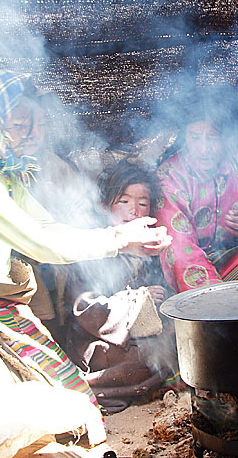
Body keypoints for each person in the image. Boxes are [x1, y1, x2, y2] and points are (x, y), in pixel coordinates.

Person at [0, 70, 170, 444]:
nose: (34, 135)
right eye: (20, 124)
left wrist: (126, 240)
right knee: (1, 428)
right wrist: (117, 238)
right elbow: (40, 243)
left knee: (73, 405)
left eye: (38, 124)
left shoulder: (5, 175)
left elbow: (50, 228)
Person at [154, 86, 238, 292]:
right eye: (194, 137)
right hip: (187, 275)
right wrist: (215, 298)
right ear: (185, 136)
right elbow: (179, 250)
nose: (203, 149)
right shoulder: (170, 175)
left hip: (232, 261)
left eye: (212, 137)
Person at [65, 160, 178, 410]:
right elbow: (84, 307)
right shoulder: (93, 250)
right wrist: (135, 300)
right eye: (124, 202)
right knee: (144, 359)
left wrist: (155, 302)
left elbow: (162, 294)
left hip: (139, 335)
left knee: (175, 341)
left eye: (142, 203)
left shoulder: (149, 249)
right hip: (98, 340)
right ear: (105, 207)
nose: (133, 211)